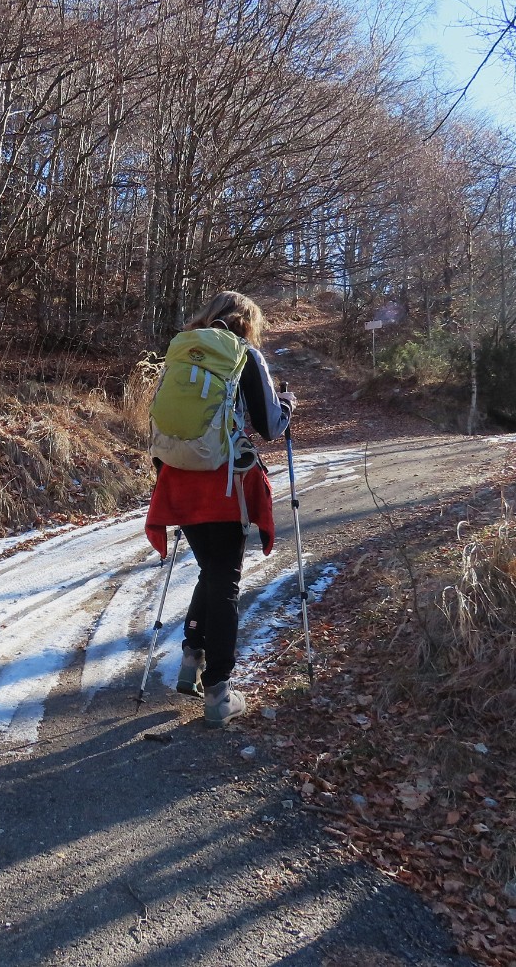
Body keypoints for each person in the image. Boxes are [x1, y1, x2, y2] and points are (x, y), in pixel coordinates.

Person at [144, 291, 296, 728]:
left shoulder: (182, 350)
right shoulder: (243, 354)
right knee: (224, 579)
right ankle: (219, 693)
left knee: (210, 571)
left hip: (177, 475)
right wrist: (288, 405)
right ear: (248, 322)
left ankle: (191, 660)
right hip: (225, 479)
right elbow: (270, 425)